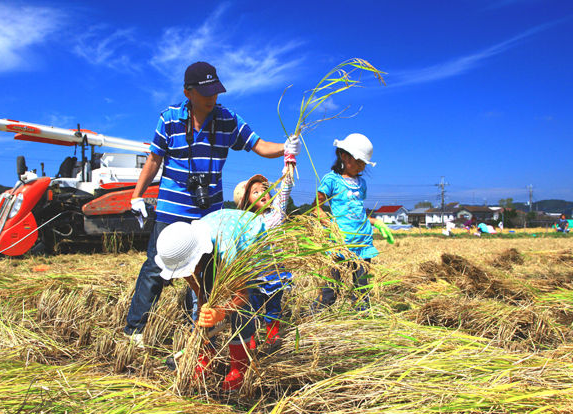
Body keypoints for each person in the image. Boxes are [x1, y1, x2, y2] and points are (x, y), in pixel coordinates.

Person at [124, 61, 301, 340]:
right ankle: (135, 331)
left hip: (210, 215)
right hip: (171, 209)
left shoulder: (227, 119)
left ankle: (203, 331)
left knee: (211, 275)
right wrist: (137, 195)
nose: (212, 97)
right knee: (156, 269)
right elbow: (154, 160)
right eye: (205, 92)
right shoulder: (169, 119)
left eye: (215, 91)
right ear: (188, 92)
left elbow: (259, 145)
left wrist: (286, 148)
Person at [156, 209, 267, 391]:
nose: (187, 274)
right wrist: (203, 309)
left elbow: (241, 295)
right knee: (198, 308)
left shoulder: (228, 250)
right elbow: (198, 291)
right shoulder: (180, 251)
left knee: (241, 310)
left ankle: (240, 366)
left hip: (248, 237)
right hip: (214, 238)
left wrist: (222, 312)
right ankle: (204, 359)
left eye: (189, 268)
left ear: (199, 256)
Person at [313, 134, 393, 310]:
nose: (361, 166)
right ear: (344, 155)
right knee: (330, 289)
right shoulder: (332, 180)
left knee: (362, 292)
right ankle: (313, 318)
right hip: (339, 244)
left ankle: (360, 324)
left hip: (363, 244)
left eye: (363, 163)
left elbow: (356, 213)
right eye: (358, 161)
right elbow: (317, 208)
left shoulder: (361, 183)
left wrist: (375, 222)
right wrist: (330, 226)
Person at [233, 153, 296, 351]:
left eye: (265, 189)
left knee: (274, 306)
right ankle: (250, 337)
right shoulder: (244, 221)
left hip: (275, 272)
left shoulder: (276, 214)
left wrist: (288, 166)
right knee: (251, 308)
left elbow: (285, 190)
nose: (263, 193)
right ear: (245, 202)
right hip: (253, 274)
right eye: (255, 191)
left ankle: (272, 336)